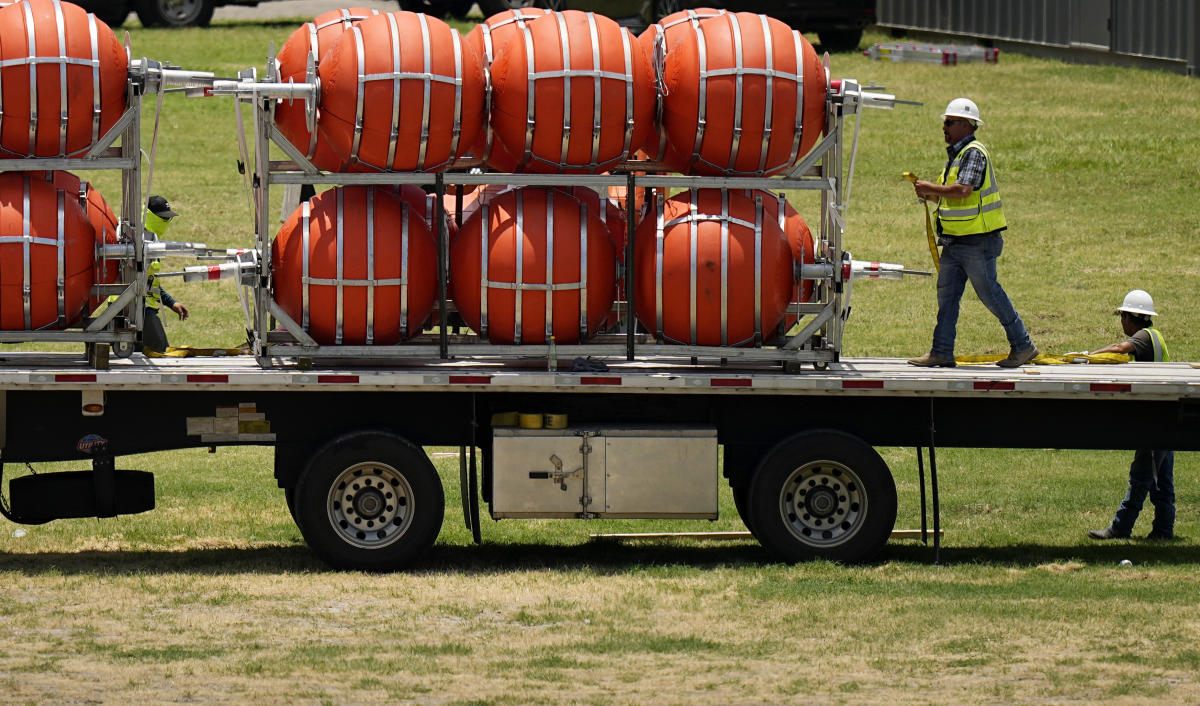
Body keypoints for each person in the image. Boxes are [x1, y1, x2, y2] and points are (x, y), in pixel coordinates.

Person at [907, 98, 1037, 369]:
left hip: (977, 241)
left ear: (967, 125)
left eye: (950, 122)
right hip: (955, 242)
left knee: (989, 293)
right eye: (945, 122)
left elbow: (963, 190)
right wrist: (930, 194)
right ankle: (941, 351)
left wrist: (933, 188)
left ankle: (1023, 345)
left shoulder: (974, 153)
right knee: (947, 298)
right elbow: (953, 198)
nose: (945, 126)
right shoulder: (957, 156)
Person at [1087, 290, 1174, 540]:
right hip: (1166, 417)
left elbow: (1118, 348)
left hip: (1155, 419)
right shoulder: (1155, 336)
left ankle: (1121, 528)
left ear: (1131, 316)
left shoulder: (1144, 337)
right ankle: (1163, 530)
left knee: (1142, 477)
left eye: (1122, 315)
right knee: (1162, 481)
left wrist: (1086, 357)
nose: (1121, 321)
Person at [139, 195, 189, 353]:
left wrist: (171, 303)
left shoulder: (151, 240)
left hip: (144, 310)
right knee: (161, 354)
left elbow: (149, 282)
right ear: (150, 216)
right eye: (163, 218)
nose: (166, 222)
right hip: (138, 311)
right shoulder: (140, 240)